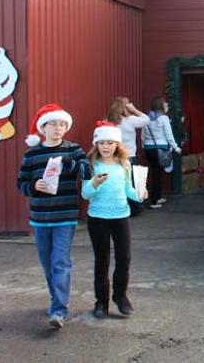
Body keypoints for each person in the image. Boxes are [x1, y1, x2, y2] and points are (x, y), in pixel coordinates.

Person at [17, 103, 87, 330]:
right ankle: (55, 299)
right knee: (47, 264)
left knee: (60, 261)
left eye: (62, 124)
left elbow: (87, 171)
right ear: (42, 128)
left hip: (65, 216)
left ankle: (59, 310)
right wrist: (34, 185)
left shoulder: (72, 149)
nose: (58, 128)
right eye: (53, 124)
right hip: (39, 217)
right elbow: (21, 184)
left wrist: (71, 162)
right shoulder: (32, 154)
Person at [81, 121, 148, 319]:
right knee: (102, 260)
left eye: (110, 142)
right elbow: (85, 194)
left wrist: (140, 194)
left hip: (121, 217)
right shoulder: (90, 165)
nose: (106, 146)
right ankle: (101, 302)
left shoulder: (124, 164)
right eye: (101, 142)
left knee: (124, 258)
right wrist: (94, 183)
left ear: (117, 144)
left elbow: (128, 190)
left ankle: (120, 297)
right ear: (96, 144)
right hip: (98, 218)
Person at [106, 97, 151, 215]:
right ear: (126, 107)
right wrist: (134, 109)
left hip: (114, 157)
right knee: (131, 183)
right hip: (129, 156)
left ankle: (119, 206)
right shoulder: (130, 120)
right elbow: (146, 119)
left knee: (117, 182)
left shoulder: (107, 121)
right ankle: (135, 208)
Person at [141, 96, 182, 209]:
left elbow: (143, 135)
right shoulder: (163, 118)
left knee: (156, 172)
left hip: (148, 148)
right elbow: (169, 134)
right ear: (160, 105)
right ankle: (154, 200)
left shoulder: (147, 118)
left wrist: (143, 145)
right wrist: (175, 147)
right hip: (160, 148)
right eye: (165, 104)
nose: (167, 105)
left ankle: (158, 196)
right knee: (157, 174)